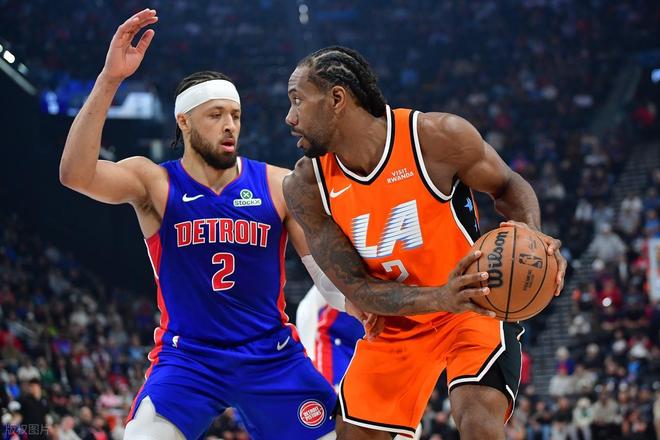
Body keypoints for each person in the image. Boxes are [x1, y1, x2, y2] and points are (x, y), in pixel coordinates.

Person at [59, 10, 355, 440]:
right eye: (215, 114)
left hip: (270, 355)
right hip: (188, 359)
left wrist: (381, 305)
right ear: (184, 121)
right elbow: (75, 174)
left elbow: (328, 282)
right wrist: (109, 79)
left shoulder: (279, 184)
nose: (230, 125)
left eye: (235, 114)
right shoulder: (154, 182)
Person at [283, 46, 567, 439]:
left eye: (298, 100)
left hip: (473, 304)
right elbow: (359, 290)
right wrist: (440, 296)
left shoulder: (435, 138)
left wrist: (533, 238)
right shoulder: (306, 186)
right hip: (397, 320)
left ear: (336, 99)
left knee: (477, 420)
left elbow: (507, 186)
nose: (290, 117)